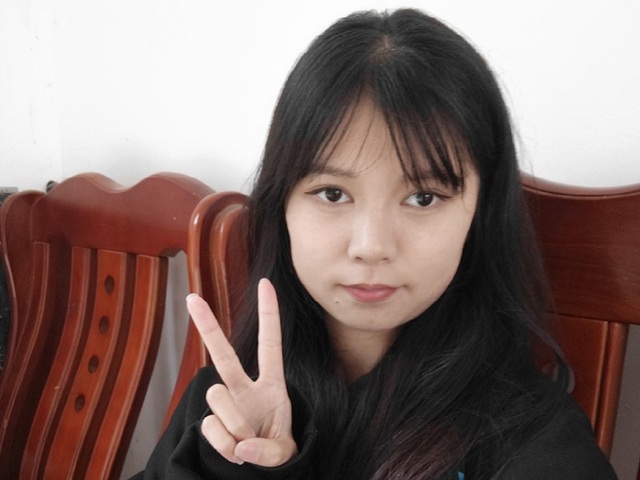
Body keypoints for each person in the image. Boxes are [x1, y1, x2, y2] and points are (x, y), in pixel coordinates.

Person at [134, 8, 617, 479]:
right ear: (282, 207)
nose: (371, 246)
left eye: (423, 197)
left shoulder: (534, 443)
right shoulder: (225, 411)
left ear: (481, 212)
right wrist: (242, 469)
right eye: (332, 194)